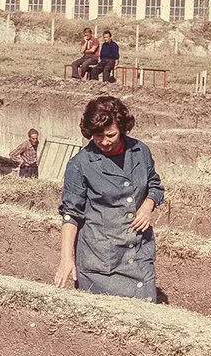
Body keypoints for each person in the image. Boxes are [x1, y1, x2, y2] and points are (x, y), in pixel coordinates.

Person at [54, 95, 164, 302]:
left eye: (110, 134)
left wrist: (148, 205)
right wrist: (66, 259)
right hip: (101, 263)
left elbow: (154, 185)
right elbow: (71, 215)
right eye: (97, 136)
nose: (104, 141)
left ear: (122, 128)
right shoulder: (80, 164)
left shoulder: (140, 151)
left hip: (139, 254)